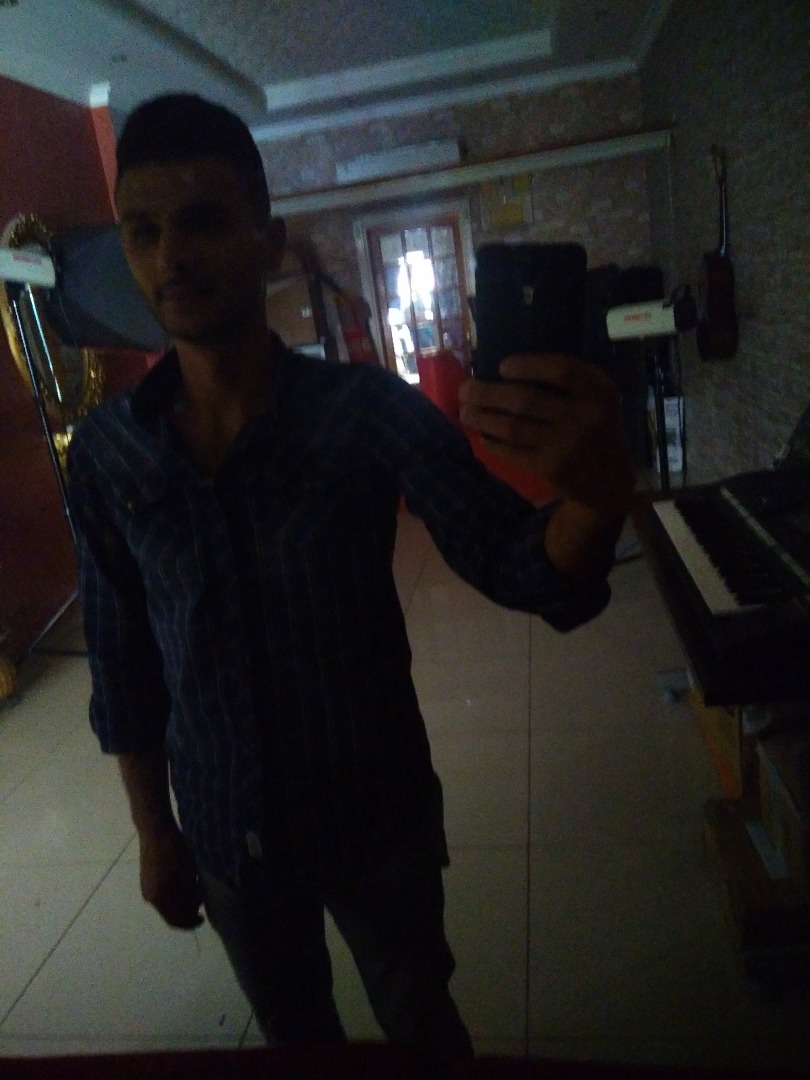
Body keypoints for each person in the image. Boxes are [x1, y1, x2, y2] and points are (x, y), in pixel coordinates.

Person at [66, 93, 635, 1072]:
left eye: (203, 221)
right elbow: (121, 662)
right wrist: (154, 831)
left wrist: (594, 498)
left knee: (420, 1020)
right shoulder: (108, 454)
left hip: (376, 820)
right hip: (223, 825)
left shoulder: (365, 410)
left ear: (269, 241)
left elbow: (511, 557)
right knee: (294, 1036)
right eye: (143, 231)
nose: (170, 258)